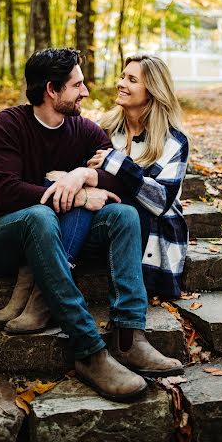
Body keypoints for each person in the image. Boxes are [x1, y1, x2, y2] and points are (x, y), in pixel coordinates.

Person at [0, 48, 184, 403]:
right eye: (77, 84)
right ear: (51, 90)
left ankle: (128, 336)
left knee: (124, 215)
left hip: (55, 240)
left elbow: (118, 185)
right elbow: (8, 192)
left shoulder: (87, 130)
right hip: (4, 240)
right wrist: (75, 195)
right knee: (41, 215)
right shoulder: (8, 123)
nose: (87, 92)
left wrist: (84, 177)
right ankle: (89, 350)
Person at [87, 54, 189, 299]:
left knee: (136, 211)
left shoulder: (174, 141)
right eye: (123, 76)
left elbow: (160, 200)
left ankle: (129, 315)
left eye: (132, 79)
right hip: (106, 221)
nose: (121, 83)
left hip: (152, 227)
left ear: (153, 91)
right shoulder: (105, 130)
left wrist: (119, 165)